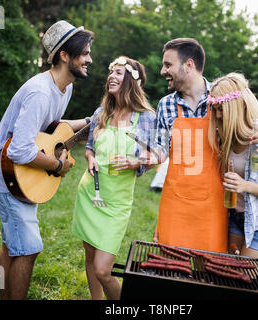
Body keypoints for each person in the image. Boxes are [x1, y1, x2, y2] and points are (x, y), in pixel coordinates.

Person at [0, 20, 94, 300]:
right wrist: (58, 165)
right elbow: (19, 151)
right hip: (9, 174)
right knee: (28, 248)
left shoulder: (64, 88)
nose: (89, 59)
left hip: (20, 177)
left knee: (12, 243)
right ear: (64, 55)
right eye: (84, 53)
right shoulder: (39, 91)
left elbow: (49, 127)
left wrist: (89, 122)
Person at [153, 38, 258, 253]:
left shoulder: (220, 97)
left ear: (189, 65)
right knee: (171, 268)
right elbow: (158, 148)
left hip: (215, 206)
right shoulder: (165, 105)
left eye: (168, 64)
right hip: (176, 203)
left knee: (211, 272)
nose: (162, 71)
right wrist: (144, 158)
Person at [72, 56, 156, 300]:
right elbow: (89, 147)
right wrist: (90, 158)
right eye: (111, 72)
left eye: (119, 72)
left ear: (131, 80)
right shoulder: (102, 112)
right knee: (90, 258)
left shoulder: (145, 117)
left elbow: (156, 156)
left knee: (103, 270)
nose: (112, 76)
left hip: (117, 203)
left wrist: (136, 161)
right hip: (90, 195)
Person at [208, 72, 258, 266]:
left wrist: (245, 185)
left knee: (247, 281)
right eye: (216, 110)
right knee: (230, 276)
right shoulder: (224, 140)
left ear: (236, 108)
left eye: (222, 109)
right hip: (235, 218)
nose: (218, 115)